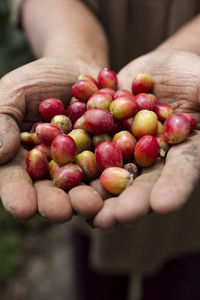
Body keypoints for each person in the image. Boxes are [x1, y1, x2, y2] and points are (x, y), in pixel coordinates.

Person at [1, 0, 200, 299]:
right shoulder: (91, 133)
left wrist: (190, 50)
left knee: (180, 279)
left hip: (189, 215)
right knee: (97, 274)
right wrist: (73, 52)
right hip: (93, 211)